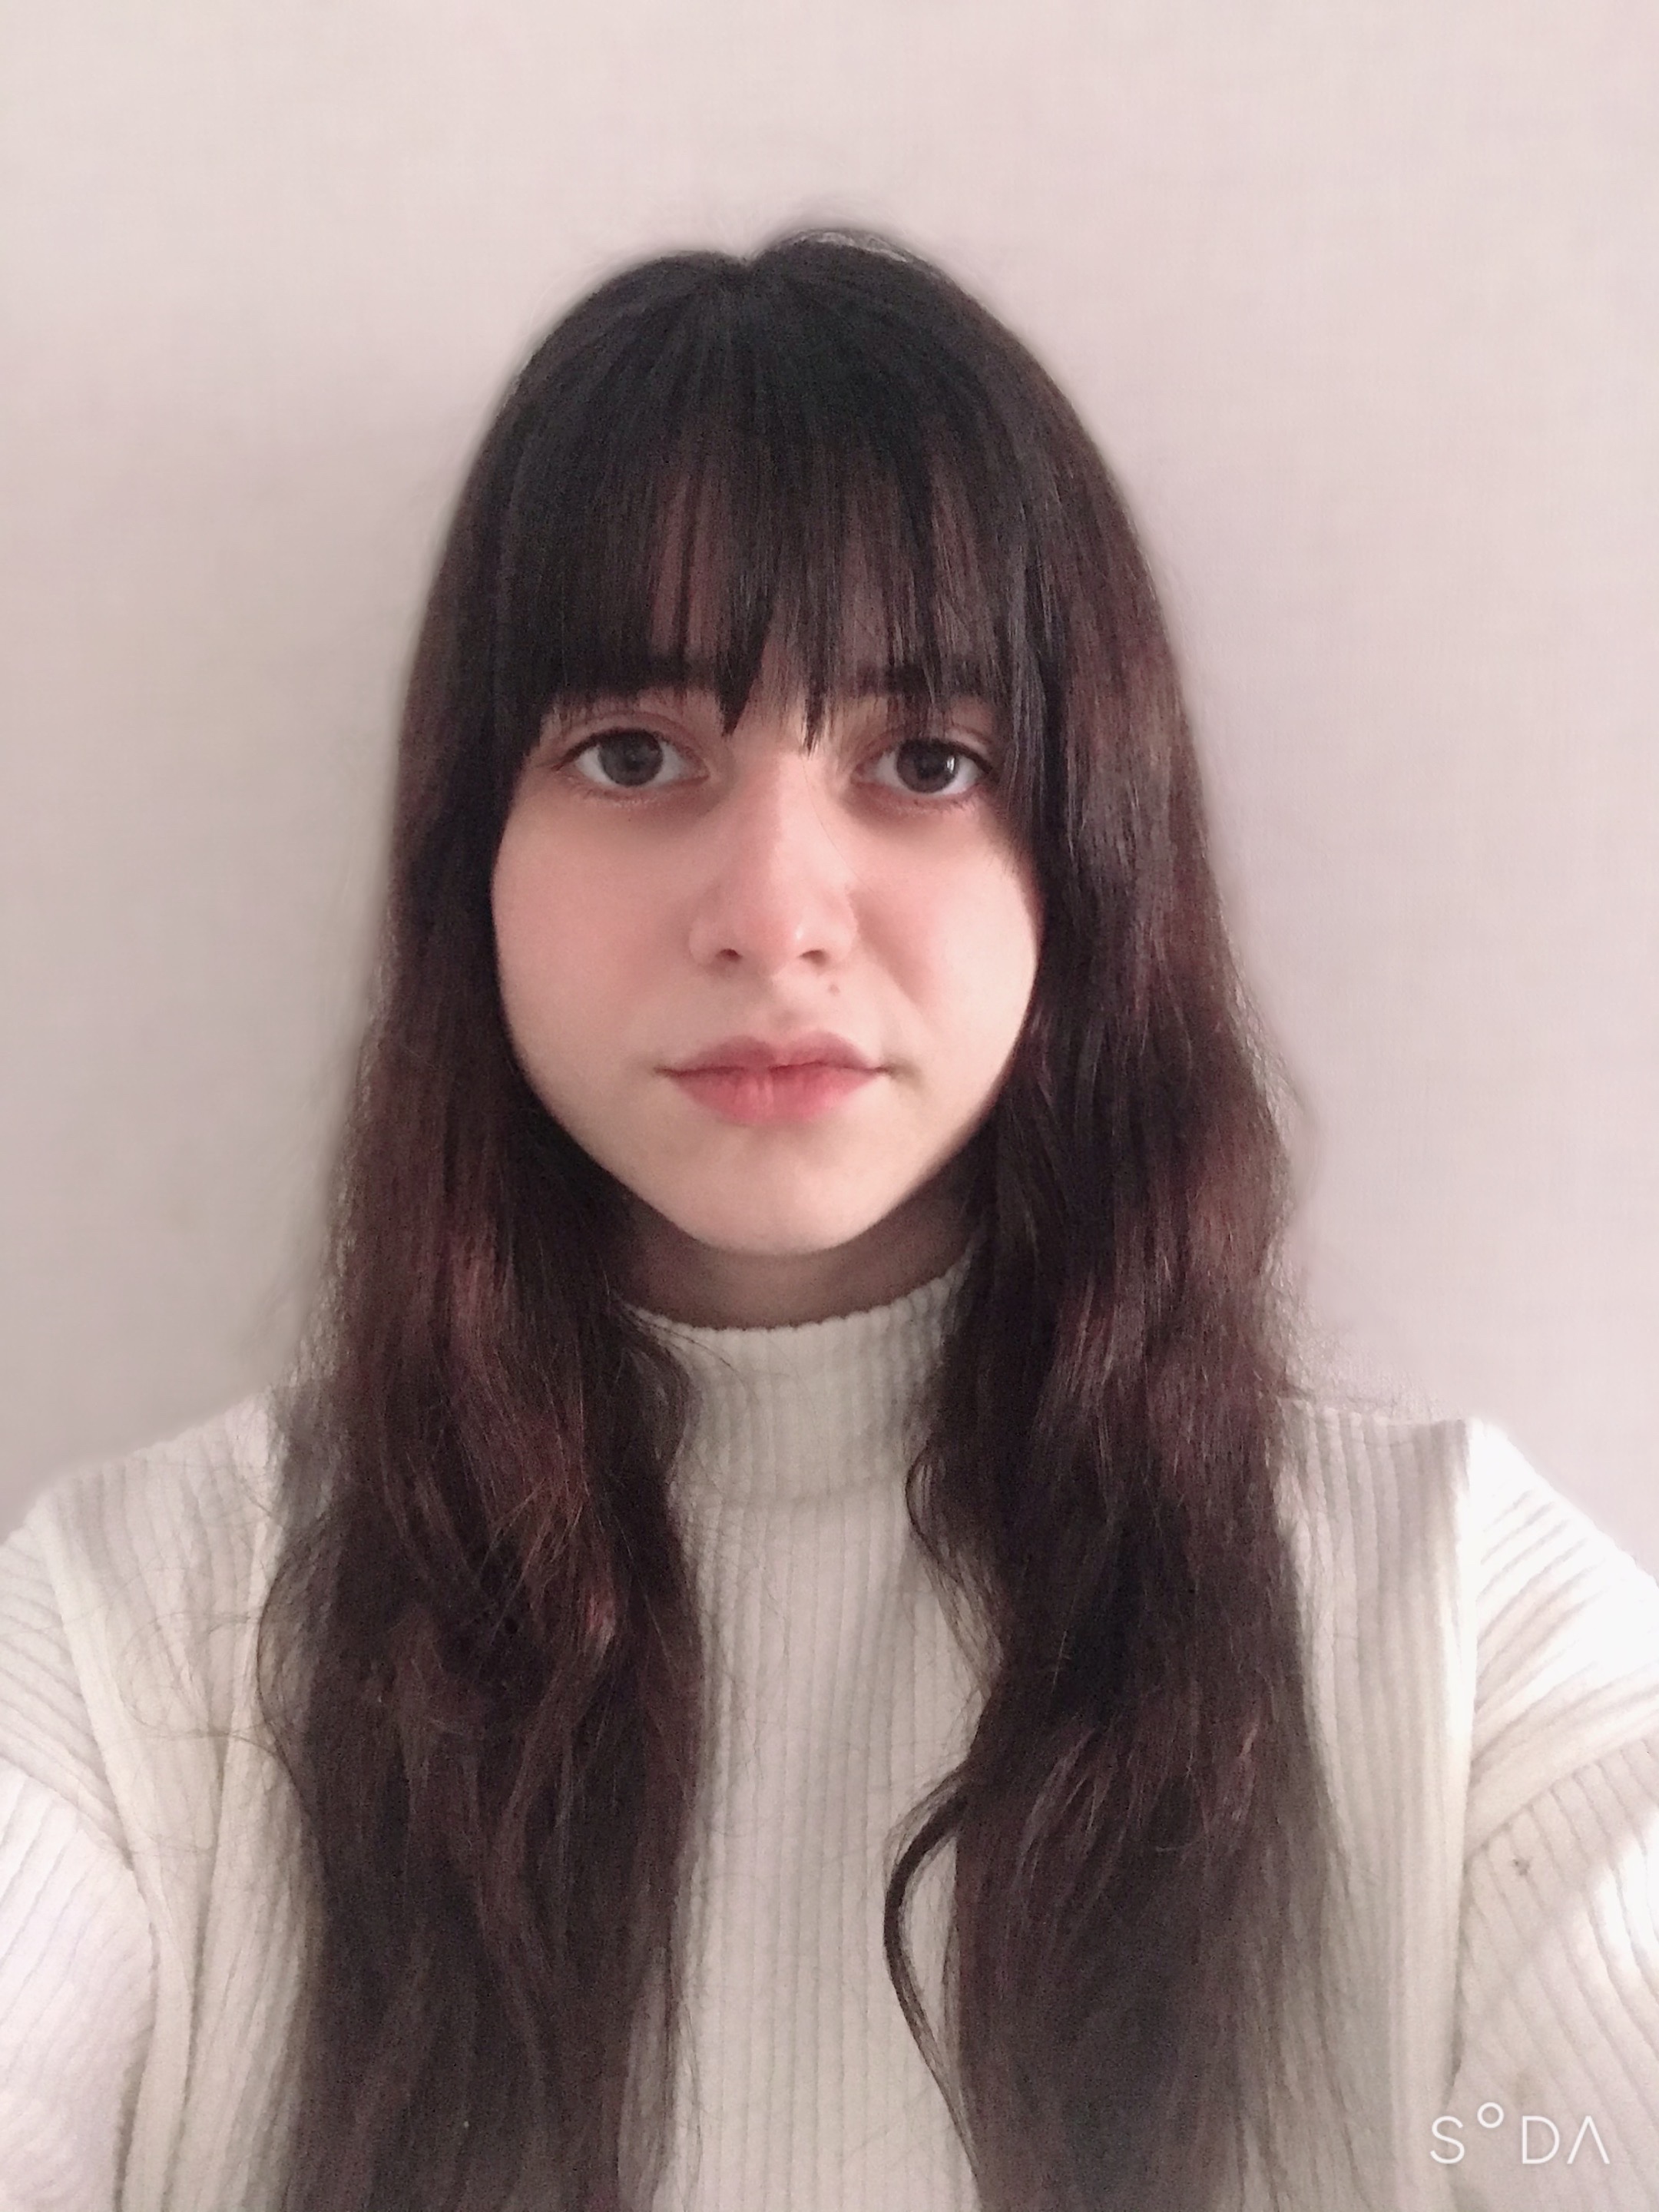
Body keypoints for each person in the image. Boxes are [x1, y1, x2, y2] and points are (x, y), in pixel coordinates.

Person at [1, 231, 1656, 2212]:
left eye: (926, 761)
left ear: (1088, 862)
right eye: (634, 755)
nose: (775, 915)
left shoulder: (1458, 1637)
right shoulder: (133, 1644)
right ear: (471, 859)